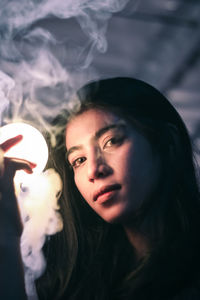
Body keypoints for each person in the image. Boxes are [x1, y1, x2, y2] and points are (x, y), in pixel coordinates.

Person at [1, 77, 200, 300]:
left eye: (111, 141)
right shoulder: (78, 284)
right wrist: (8, 235)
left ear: (167, 142)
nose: (94, 170)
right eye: (79, 160)